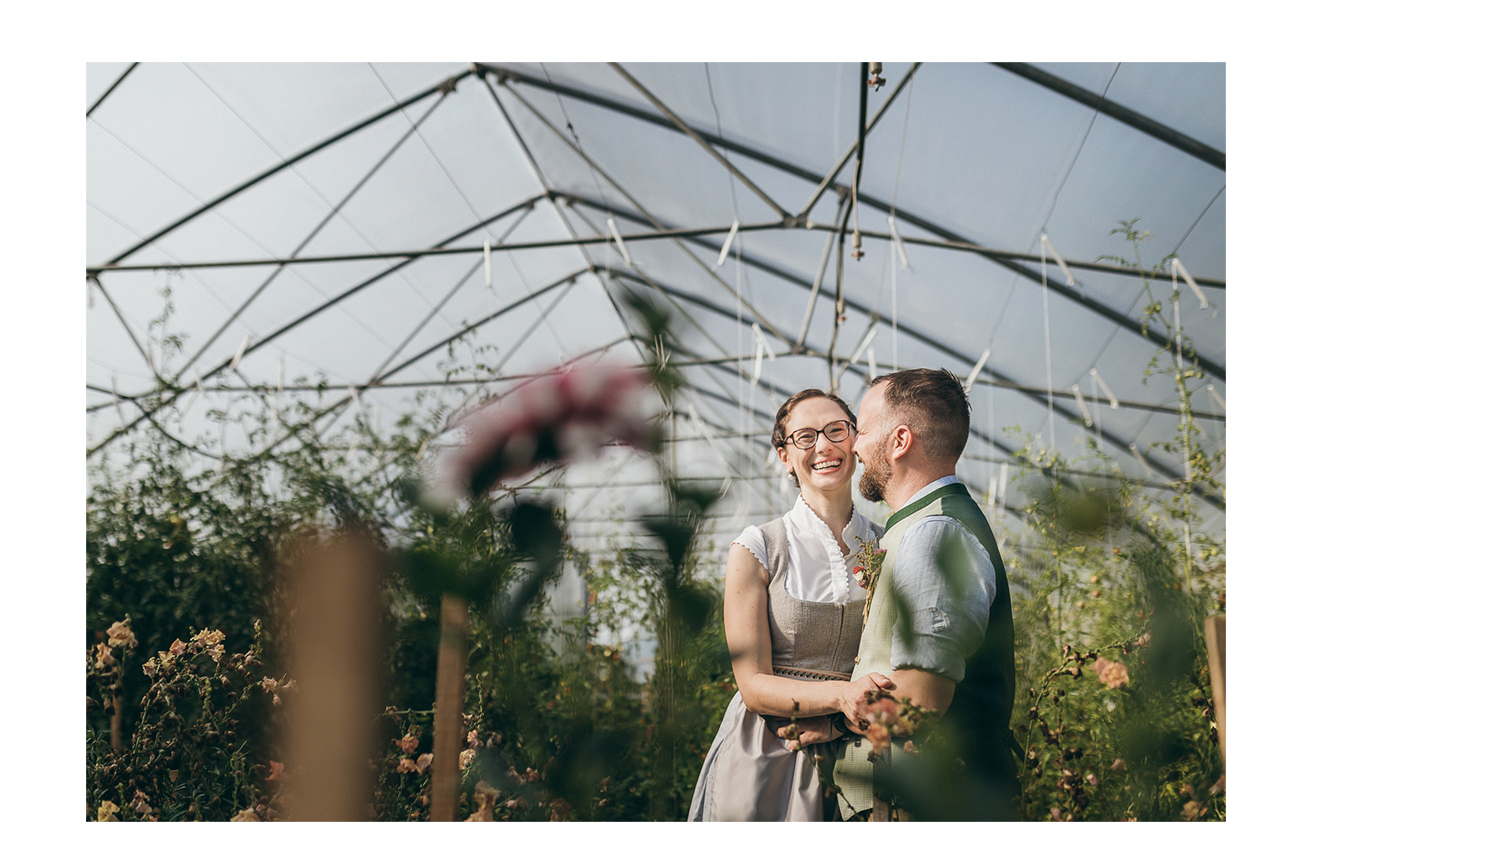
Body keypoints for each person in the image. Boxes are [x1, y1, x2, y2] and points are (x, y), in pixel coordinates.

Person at [689, 388, 896, 821]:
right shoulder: (757, 548)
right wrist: (843, 695)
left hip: (860, 753)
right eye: (805, 437)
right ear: (784, 455)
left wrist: (848, 715)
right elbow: (753, 685)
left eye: (836, 430)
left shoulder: (886, 544)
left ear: (855, 441)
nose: (823, 446)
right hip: (772, 749)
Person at [831, 368, 1020, 821]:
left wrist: (824, 716)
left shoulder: (933, 534)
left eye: (863, 429)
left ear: (899, 442)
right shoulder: (920, 527)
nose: (853, 445)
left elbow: (917, 702)